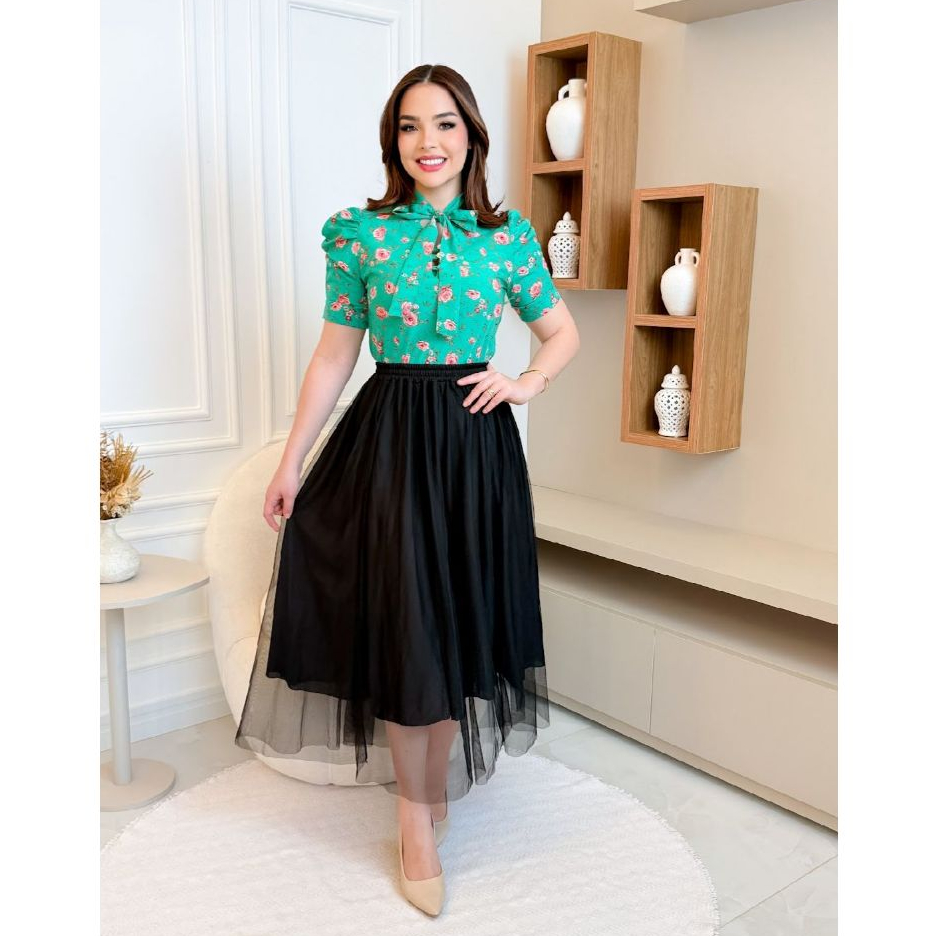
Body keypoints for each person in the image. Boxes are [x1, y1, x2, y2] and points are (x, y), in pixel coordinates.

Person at [234, 63, 580, 916]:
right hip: (390, 441)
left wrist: (525, 383)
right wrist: (291, 461)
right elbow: (334, 355)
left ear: (472, 136)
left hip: (474, 447)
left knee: (455, 622)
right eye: (411, 126)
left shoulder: (505, 237)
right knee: (408, 625)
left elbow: (561, 332)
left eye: (446, 124)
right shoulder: (360, 234)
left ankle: (429, 794)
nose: (429, 142)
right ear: (394, 141)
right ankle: (414, 817)